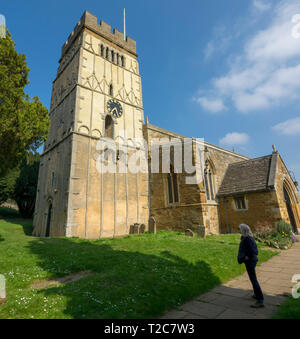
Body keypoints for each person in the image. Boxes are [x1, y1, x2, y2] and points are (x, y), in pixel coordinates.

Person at [238, 224, 264, 308]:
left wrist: (247, 257)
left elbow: (253, 251)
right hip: (250, 261)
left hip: (250, 261)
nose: (239, 230)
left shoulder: (248, 239)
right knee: (253, 278)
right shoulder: (248, 237)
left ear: (244, 230)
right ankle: (257, 294)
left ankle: (260, 300)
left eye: (240, 229)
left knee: (254, 280)